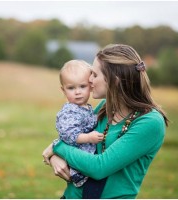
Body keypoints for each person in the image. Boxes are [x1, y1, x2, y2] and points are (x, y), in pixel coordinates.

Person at [42, 44, 169, 199]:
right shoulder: (105, 107)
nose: (89, 80)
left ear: (114, 80)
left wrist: (56, 147)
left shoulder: (150, 122)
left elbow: (99, 167)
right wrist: (54, 155)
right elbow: (73, 136)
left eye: (94, 75)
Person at [55, 60, 105, 189]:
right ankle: (78, 176)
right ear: (63, 90)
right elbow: (69, 135)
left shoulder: (86, 108)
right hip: (79, 162)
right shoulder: (70, 111)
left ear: (90, 85)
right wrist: (88, 138)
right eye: (71, 88)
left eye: (82, 86)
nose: (77, 92)